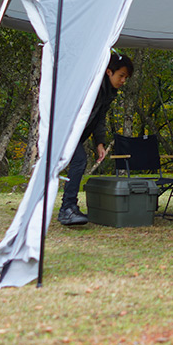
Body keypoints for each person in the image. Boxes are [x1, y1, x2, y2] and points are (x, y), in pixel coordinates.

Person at [57, 51, 134, 226]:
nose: (123, 81)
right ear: (109, 72)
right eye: (121, 75)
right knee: (79, 161)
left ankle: (67, 208)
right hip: (62, 129)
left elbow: (99, 119)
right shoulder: (93, 86)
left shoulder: (108, 92)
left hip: (75, 135)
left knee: (76, 162)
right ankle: (67, 209)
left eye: (126, 77)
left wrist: (100, 143)